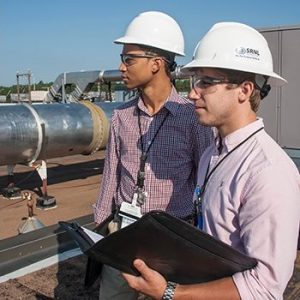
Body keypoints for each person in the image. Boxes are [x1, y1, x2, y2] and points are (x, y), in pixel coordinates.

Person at [123, 22, 300, 300]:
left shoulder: (268, 172)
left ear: (244, 90)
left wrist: (171, 293)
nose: (193, 93)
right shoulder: (213, 154)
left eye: (206, 82)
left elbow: (264, 288)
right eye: (194, 82)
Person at [93, 11, 213, 299]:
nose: (121, 67)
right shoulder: (121, 116)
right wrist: (100, 231)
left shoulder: (192, 117)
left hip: (172, 238)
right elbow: (111, 174)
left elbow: (206, 180)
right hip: (124, 232)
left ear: (157, 64)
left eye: (129, 59)